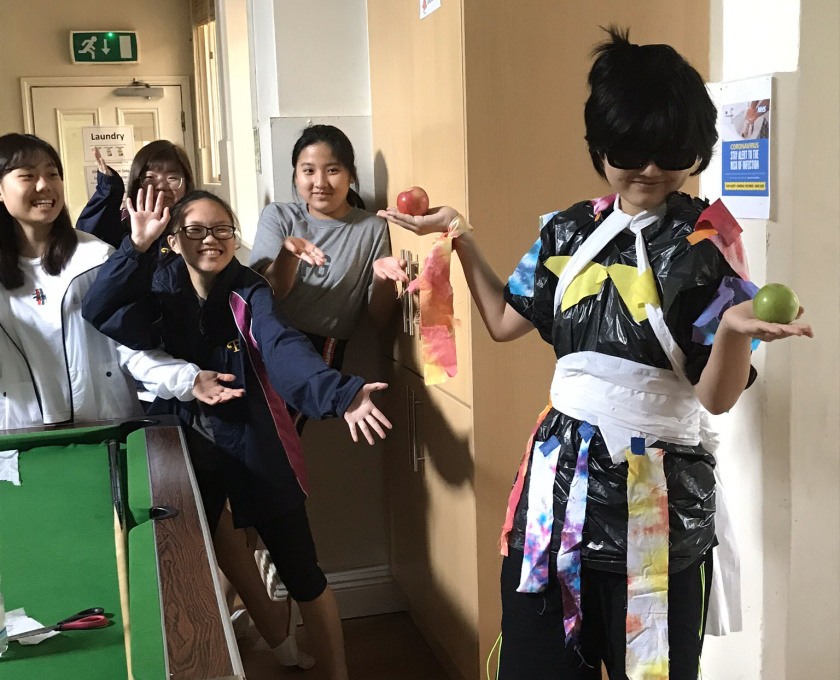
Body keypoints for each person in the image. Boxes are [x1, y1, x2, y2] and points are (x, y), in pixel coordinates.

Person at [379, 28, 813, 680]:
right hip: (552, 504)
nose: (650, 168)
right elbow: (502, 319)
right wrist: (457, 235)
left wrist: (731, 332)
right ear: (599, 146)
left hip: (659, 510)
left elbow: (715, 398)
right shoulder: (567, 229)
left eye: (671, 150)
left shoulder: (709, 236)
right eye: (630, 149)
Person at [82, 188, 392, 680]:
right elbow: (100, 308)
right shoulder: (158, 284)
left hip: (257, 441)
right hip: (180, 445)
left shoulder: (249, 289)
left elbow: (284, 348)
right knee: (182, 573)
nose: (211, 240)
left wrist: (340, 392)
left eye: (222, 230)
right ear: (176, 239)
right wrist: (135, 248)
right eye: (196, 231)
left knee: (303, 572)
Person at [0, 132, 241, 430]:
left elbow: (128, 348)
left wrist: (187, 379)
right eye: (27, 175)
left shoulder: (95, 258)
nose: (44, 185)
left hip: (106, 426)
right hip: (19, 435)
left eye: (52, 173)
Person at [76, 139, 194, 251]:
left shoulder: (197, 227)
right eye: (150, 177)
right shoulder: (123, 222)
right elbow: (87, 240)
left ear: (187, 184)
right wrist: (109, 190)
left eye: (172, 178)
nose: (161, 186)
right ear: (136, 182)